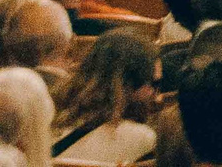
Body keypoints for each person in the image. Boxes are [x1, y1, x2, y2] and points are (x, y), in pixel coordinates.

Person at [51, 31, 162, 164]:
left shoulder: (47, 119)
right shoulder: (144, 139)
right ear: (129, 84)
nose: (158, 96)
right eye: (155, 84)